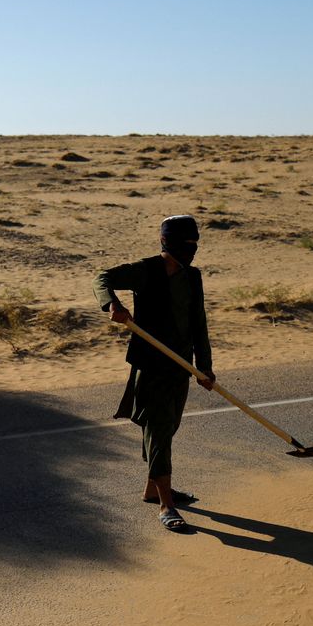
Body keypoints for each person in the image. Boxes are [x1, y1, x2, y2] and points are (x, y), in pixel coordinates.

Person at [93, 214, 215, 532]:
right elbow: (101, 278)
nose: (190, 250)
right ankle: (166, 504)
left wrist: (205, 367)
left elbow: (199, 324)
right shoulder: (145, 271)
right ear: (164, 242)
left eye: (194, 244)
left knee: (168, 427)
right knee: (159, 429)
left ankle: (152, 488)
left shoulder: (194, 277)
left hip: (181, 366)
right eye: (184, 244)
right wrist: (112, 306)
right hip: (152, 366)